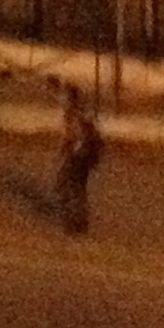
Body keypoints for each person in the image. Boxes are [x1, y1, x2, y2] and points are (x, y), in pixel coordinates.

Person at [54, 81, 103, 235]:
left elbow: (73, 137)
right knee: (79, 188)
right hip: (88, 155)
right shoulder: (84, 112)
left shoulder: (71, 115)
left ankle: (74, 221)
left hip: (78, 155)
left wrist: (64, 153)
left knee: (67, 185)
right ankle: (81, 221)